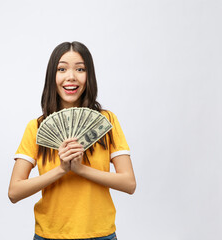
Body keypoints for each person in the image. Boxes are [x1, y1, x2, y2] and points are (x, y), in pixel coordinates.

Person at [8, 41, 136, 240]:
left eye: (80, 69)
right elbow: (14, 192)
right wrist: (61, 169)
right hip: (49, 235)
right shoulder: (36, 127)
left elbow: (129, 183)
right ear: (53, 76)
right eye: (62, 69)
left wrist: (80, 169)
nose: (71, 77)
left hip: (100, 234)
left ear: (89, 76)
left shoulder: (108, 121)